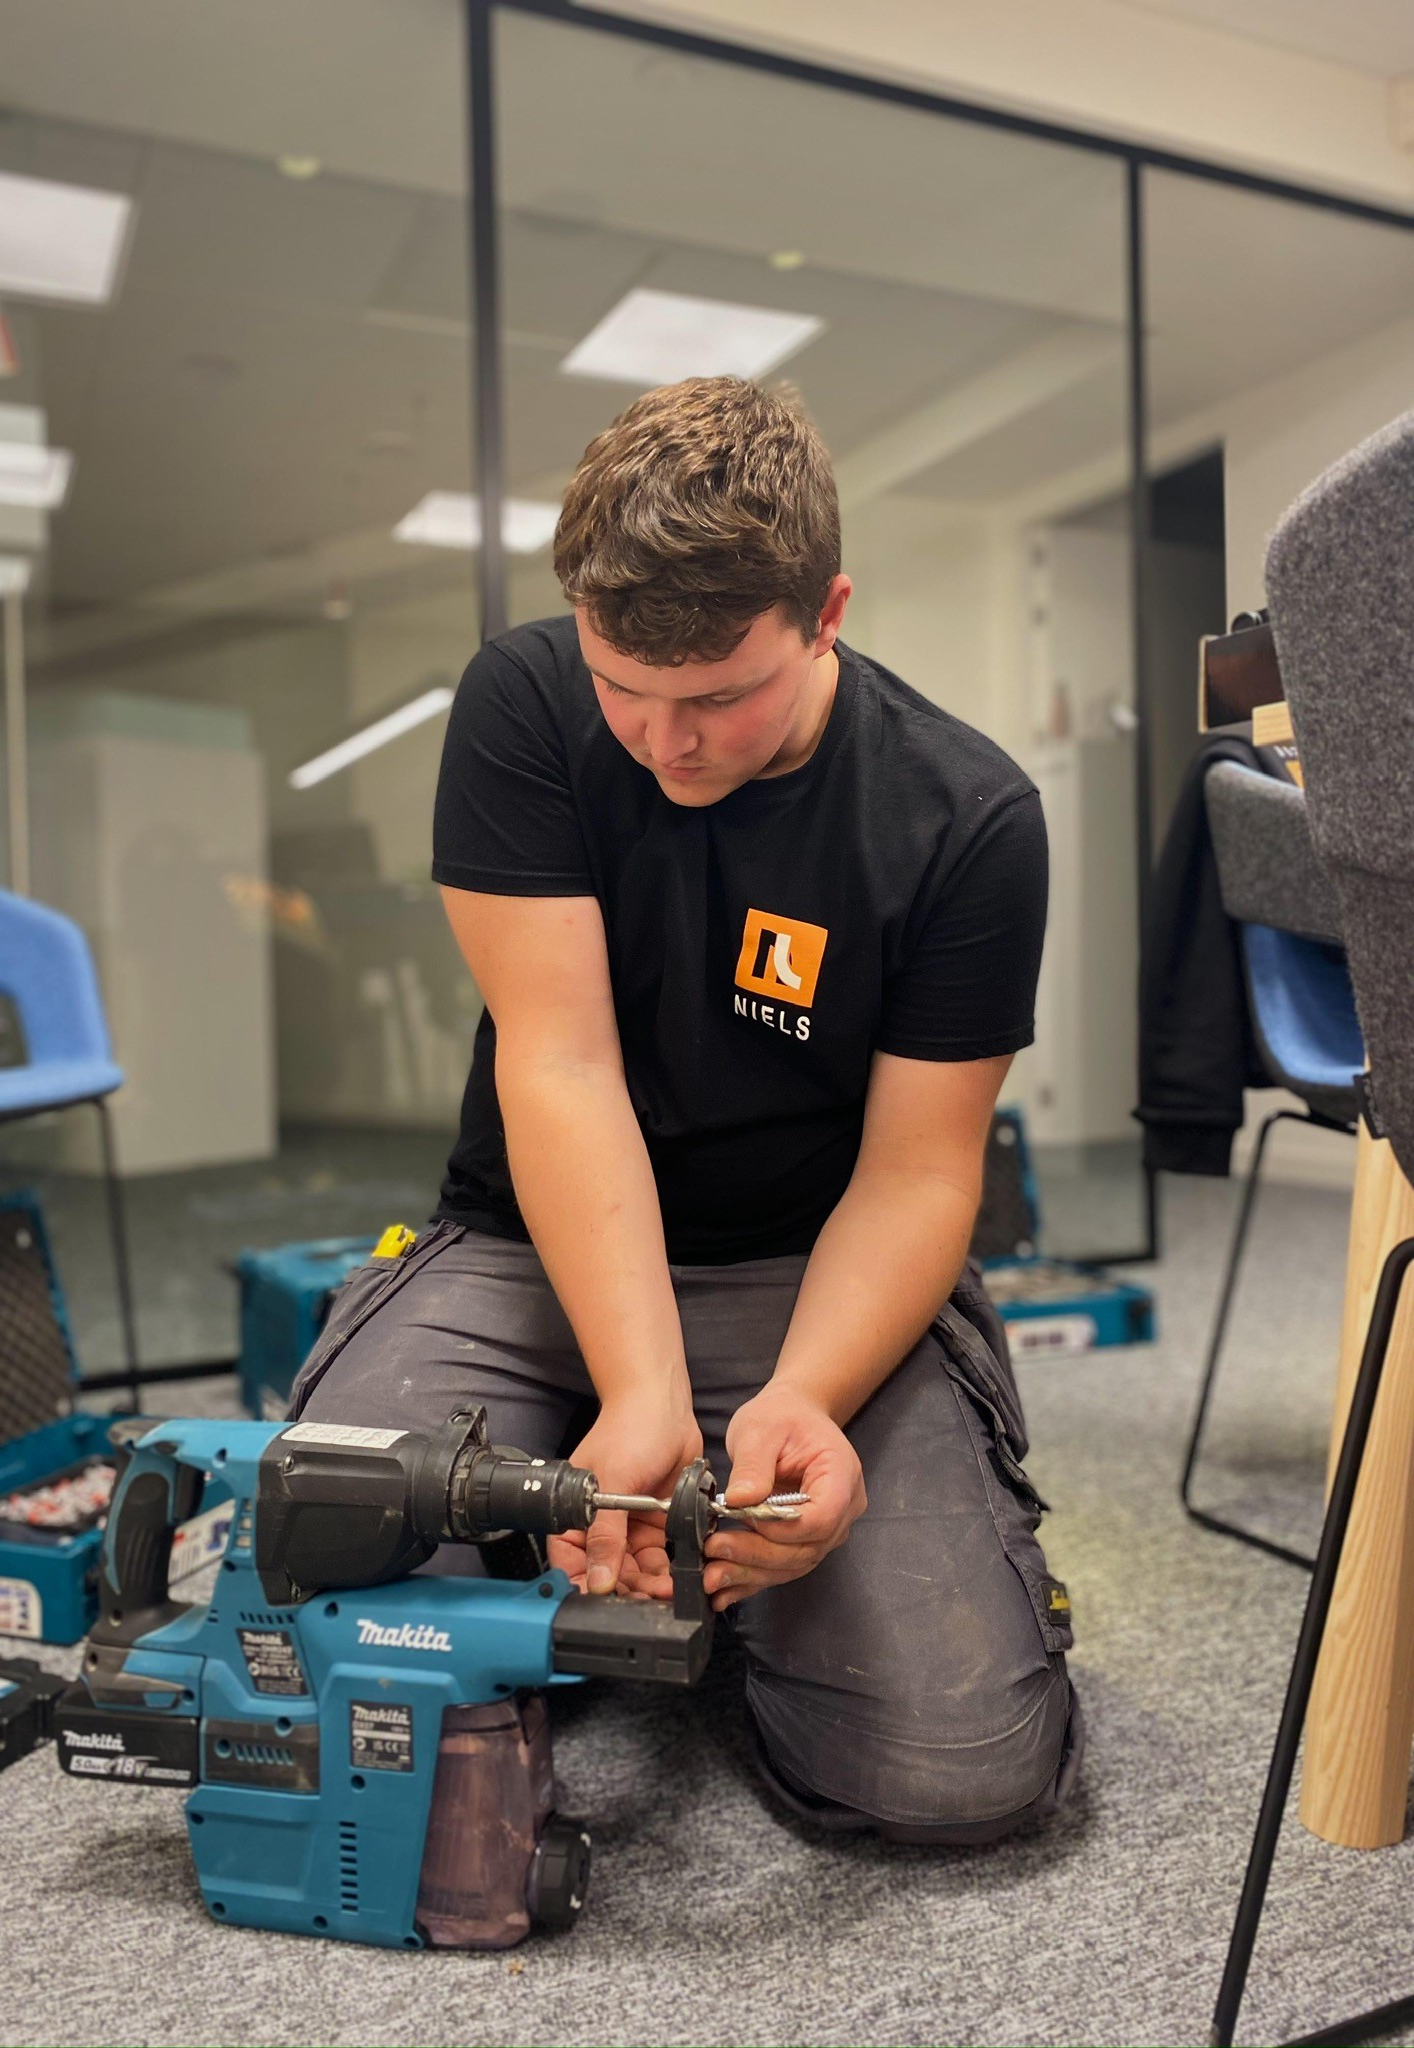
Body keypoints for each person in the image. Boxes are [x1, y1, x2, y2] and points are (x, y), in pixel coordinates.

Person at [293, 375, 1081, 1842]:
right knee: (333, 1598)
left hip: (808, 1269)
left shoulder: (967, 820)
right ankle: (640, 1492)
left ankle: (706, 1574)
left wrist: (804, 1402)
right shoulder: (523, 701)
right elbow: (562, 1063)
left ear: (828, 609)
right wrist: (644, 1387)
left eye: (720, 695)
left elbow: (919, 1180)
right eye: (626, 692)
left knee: (959, 1769)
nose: (665, 744)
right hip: (529, 1252)